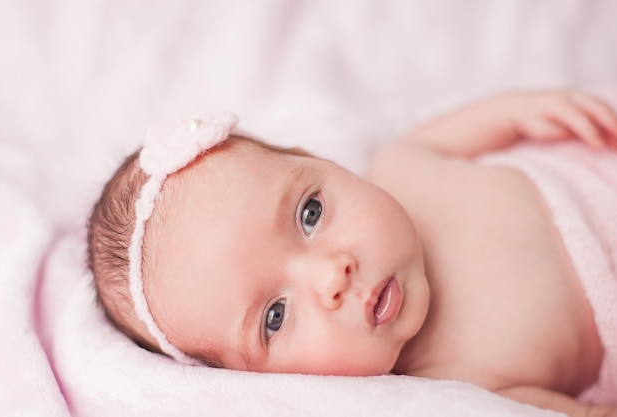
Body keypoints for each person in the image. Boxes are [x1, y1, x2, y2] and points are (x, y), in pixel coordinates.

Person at [87, 90, 617, 416]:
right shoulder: (452, 385)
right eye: (275, 316)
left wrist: (522, 112)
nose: (331, 276)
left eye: (309, 214)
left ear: (318, 160)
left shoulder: (402, 166)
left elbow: (453, 135)